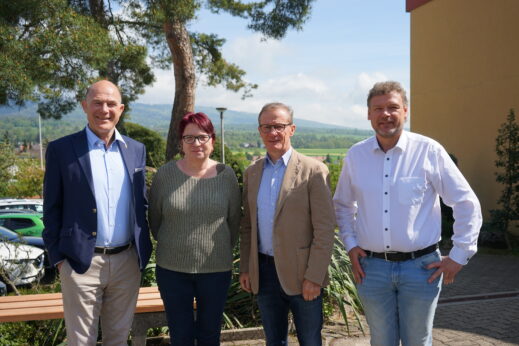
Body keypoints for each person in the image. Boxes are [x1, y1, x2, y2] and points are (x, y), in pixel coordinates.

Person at [333, 81, 482, 346]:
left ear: (405, 111)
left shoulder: (429, 151)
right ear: (369, 114)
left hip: (421, 268)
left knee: (418, 340)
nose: (385, 114)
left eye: (392, 107)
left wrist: (460, 255)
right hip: (372, 269)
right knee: (381, 341)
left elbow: (466, 202)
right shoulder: (356, 155)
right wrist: (351, 244)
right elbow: (343, 205)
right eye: (378, 108)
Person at [42, 80, 152, 345]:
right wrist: (59, 259)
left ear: (121, 109)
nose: (104, 109)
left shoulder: (136, 150)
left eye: (111, 104)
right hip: (81, 263)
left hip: (127, 262)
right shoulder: (61, 149)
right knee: (81, 341)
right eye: (98, 103)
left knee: (117, 339)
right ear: (84, 106)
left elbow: (142, 204)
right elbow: (51, 209)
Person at [239, 102, 336, 346]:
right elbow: (248, 226)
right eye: (267, 127)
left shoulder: (314, 171)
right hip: (264, 273)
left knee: (310, 341)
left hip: (304, 274)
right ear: (260, 131)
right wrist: (246, 268)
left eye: (279, 126)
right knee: (274, 341)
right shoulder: (252, 172)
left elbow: (324, 230)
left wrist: (315, 276)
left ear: (292, 129)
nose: (273, 133)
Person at [149, 112, 241, 346]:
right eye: (189, 138)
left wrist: (214, 248)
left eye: (202, 137)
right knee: (181, 336)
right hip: (172, 270)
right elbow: (155, 220)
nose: (196, 143)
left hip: (216, 269)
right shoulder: (165, 175)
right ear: (181, 142)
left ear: (213, 140)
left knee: (210, 335)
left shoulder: (226, 175)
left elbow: (234, 222)